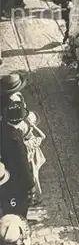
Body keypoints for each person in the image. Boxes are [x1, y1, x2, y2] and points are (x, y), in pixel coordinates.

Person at [0, 75, 35, 218]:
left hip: (5, 161)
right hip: (14, 175)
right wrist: (30, 185)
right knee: (18, 205)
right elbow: (21, 163)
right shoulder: (15, 138)